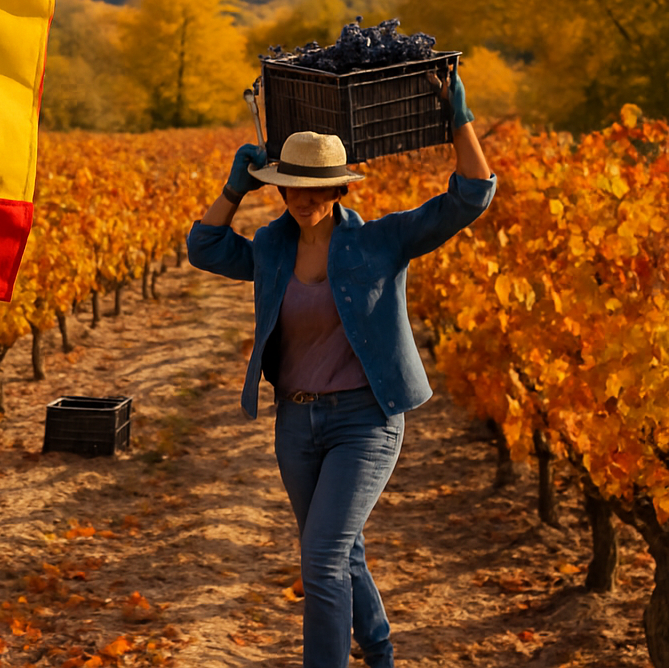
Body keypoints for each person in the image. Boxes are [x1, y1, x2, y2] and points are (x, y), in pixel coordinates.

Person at [186, 71, 495, 668]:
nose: (304, 198)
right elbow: (203, 248)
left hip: (365, 422)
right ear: (277, 188)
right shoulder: (271, 248)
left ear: (340, 188)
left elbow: (470, 196)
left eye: (319, 186)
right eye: (292, 186)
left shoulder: (382, 241)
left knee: (321, 558)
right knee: (338, 548)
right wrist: (232, 191)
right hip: (296, 425)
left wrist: (460, 121)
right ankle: (379, 653)